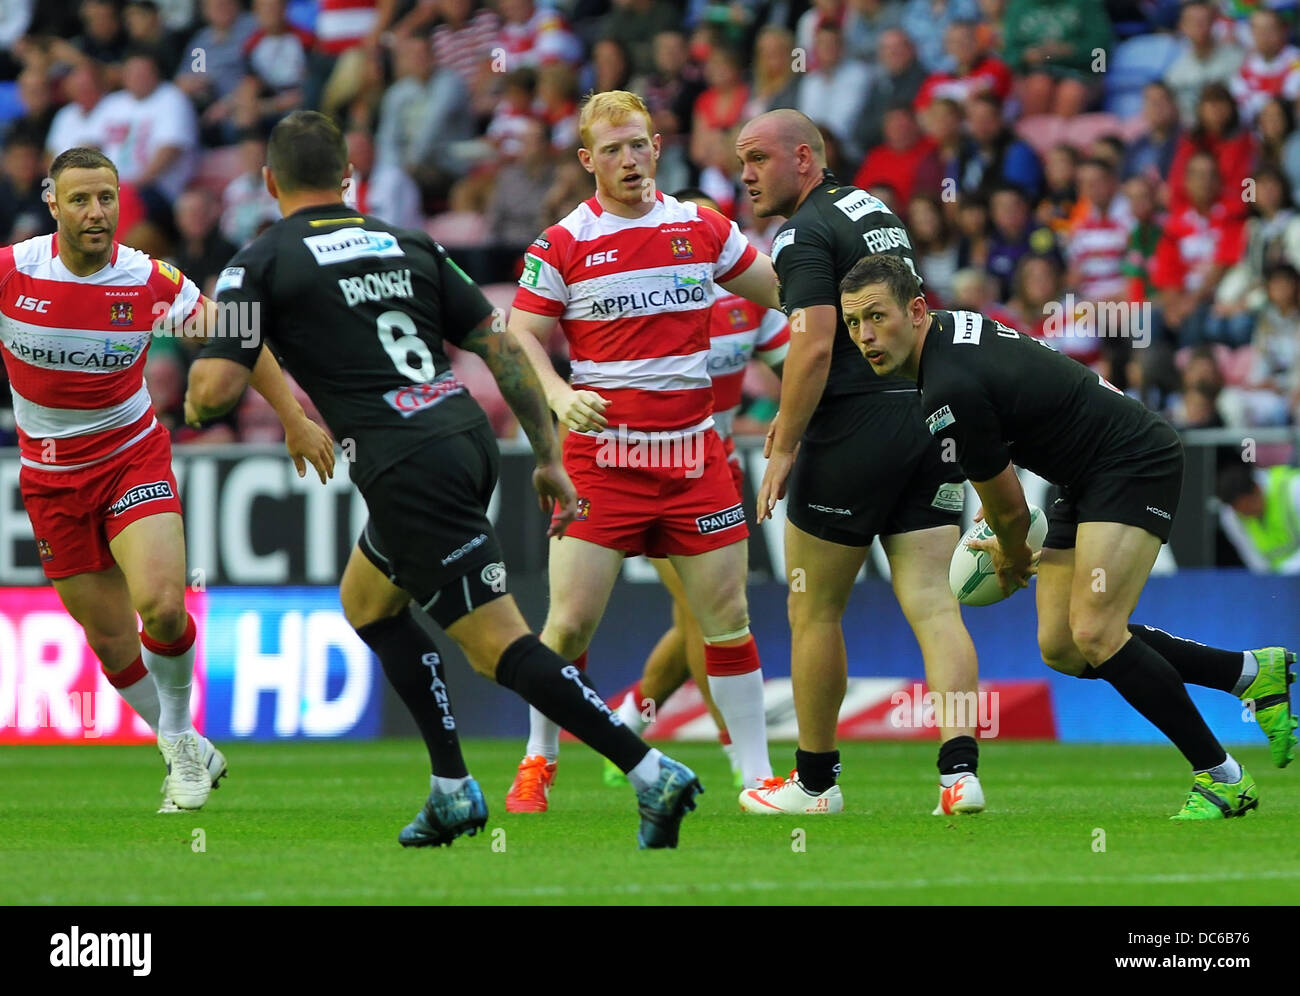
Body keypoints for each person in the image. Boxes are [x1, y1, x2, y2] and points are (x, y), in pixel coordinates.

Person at [183, 109, 703, 849]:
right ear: (348, 177)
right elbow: (497, 343)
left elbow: (210, 394)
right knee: (368, 601)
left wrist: (201, 345)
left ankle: (650, 771)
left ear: (269, 182)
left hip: (405, 466)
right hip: (463, 437)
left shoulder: (258, 263)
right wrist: (548, 455)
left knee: (499, 647)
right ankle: (452, 789)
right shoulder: (406, 241)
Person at [838, 252, 1297, 818]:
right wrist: (1008, 537)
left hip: (1131, 460)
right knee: (1063, 645)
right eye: (853, 323)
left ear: (915, 310)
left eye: (876, 317)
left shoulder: (946, 387)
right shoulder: (948, 338)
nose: (865, 335)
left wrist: (1010, 556)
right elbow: (1004, 480)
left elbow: (1007, 508)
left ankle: (1221, 776)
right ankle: (1249, 672)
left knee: (1097, 633)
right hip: (1081, 474)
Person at [1, 146, 334, 813]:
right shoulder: (13, 273)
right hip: (47, 478)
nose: (97, 213)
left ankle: (180, 747)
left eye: (107, 198)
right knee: (110, 638)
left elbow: (238, 334)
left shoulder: (148, 281)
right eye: (80, 200)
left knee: (159, 604)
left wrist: (294, 418)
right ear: (52, 204)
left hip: (130, 457)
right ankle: (181, 742)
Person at [502, 90, 781, 813]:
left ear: (657, 147)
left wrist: (841, 279)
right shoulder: (564, 241)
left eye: (640, 144)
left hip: (696, 459)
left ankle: (756, 779)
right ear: (588, 160)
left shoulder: (701, 226)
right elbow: (520, 335)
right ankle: (540, 759)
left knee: (728, 620)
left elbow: (782, 292)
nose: (630, 159)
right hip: (603, 460)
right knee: (567, 624)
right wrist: (560, 396)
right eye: (614, 148)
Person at [735, 108, 985, 817]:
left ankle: (816, 784)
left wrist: (783, 445)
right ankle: (959, 774)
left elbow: (812, 344)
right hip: (930, 418)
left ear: (806, 158)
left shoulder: (804, 231)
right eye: (740, 161)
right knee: (935, 603)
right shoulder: (875, 210)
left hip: (852, 428)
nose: (746, 175)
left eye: (758, 158)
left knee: (813, 609)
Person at [602, 188, 789, 791]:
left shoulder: (748, 301)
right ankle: (742, 759)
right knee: (700, 612)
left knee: (707, 613)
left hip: (720, 470)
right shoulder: (642, 300)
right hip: (653, 464)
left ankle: (626, 721)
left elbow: (797, 363)